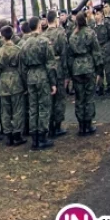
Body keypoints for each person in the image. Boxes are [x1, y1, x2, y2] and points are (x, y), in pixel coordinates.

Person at [20, 17, 57, 151]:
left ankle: (34, 137)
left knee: (33, 107)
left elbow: (22, 66)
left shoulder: (24, 44)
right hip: (42, 75)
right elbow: (50, 63)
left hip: (30, 76)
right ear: (39, 26)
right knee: (43, 106)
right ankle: (42, 136)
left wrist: (26, 81)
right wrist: (53, 82)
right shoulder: (44, 42)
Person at [67, 13, 102, 136]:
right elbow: (96, 51)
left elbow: (69, 56)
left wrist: (70, 72)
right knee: (89, 97)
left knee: (79, 97)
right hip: (88, 67)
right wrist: (99, 69)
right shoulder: (90, 33)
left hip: (76, 68)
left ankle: (81, 125)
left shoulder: (72, 35)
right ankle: (88, 124)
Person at [0, 25, 27, 146]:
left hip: (3, 81)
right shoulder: (17, 50)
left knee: (5, 110)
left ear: (2, 36)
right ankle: (17, 135)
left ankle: (8, 135)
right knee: (18, 109)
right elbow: (22, 69)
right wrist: (25, 84)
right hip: (16, 80)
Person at [43, 10, 69, 138]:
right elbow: (64, 53)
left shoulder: (43, 35)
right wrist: (66, 73)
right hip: (58, 67)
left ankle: (50, 125)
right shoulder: (60, 33)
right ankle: (57, 125)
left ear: (47, 20)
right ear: (56, 19)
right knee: (59, 98)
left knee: (50, 98)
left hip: (47, 69)